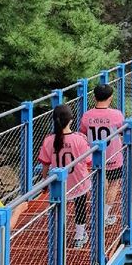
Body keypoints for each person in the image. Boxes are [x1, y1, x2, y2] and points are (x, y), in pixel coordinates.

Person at [39, 104, 91, 248]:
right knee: (80, 206)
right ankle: (79, 236)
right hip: (78, 180)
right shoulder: (79, 139)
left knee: (59, 208)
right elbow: (88, 161)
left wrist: (45, 182)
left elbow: (45, 164)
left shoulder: (48, 140)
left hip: (58, 184)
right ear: (71, 120)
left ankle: (58, 236)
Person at [79, 84, 125, 227]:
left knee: (99, 183)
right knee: (114, 184)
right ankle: (103, 217)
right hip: (114, 157)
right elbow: (123, 132)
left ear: (94, 97)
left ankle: (96, 210)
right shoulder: (117, 115)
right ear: (111, 97)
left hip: (94, 158)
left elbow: (83, 134)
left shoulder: (87, 116)